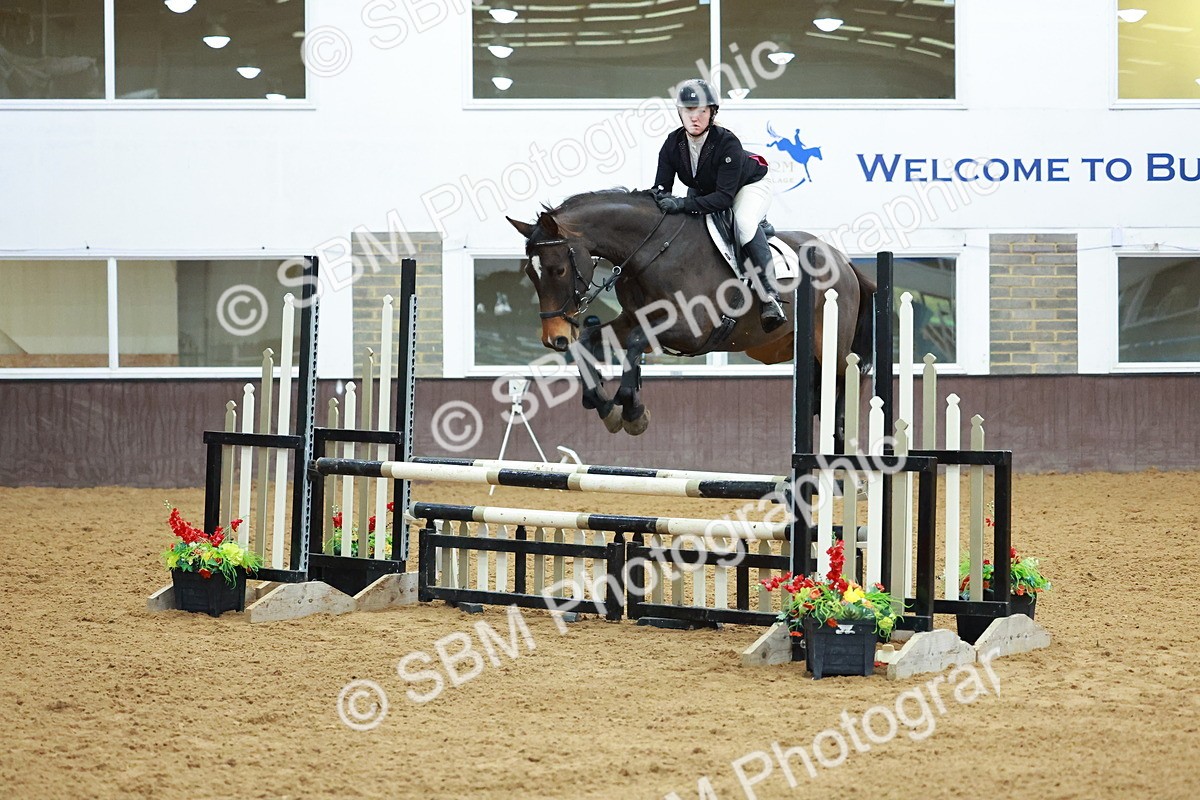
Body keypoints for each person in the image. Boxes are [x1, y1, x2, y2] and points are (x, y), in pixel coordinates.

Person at [652, 78, 786, 333]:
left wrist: (681, 203)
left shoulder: (727, 142)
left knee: (744, 224)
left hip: (748, 186)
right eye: (689, 110)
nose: (695, 117)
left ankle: (770, 296)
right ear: (680, 112)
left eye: (702, 110)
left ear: (712, 113)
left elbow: (724, 199)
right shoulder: (672, 144)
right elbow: (660, 189)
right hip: (706, 189)